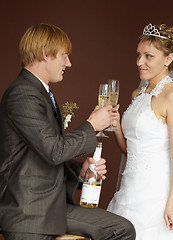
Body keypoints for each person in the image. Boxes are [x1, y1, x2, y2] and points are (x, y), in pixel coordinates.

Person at [0, 23, 136, 240]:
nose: (69, 63)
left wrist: (81, 172)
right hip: (29, 214)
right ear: (46, 53)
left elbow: (44, 155)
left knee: (122, 228)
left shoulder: (40, 93)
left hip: (49, 208)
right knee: (121, 231)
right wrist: (92, 125)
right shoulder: (22, 94)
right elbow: (54, 150)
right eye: (65, 56)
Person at [107, 23, 173, 239]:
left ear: (168, 59)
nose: (139, 62)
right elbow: (130, 151)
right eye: (138, 55)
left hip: (160, 194)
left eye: (148, 56)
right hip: (130, 190)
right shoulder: (138, 94)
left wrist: (172, 204)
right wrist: (117, 127)